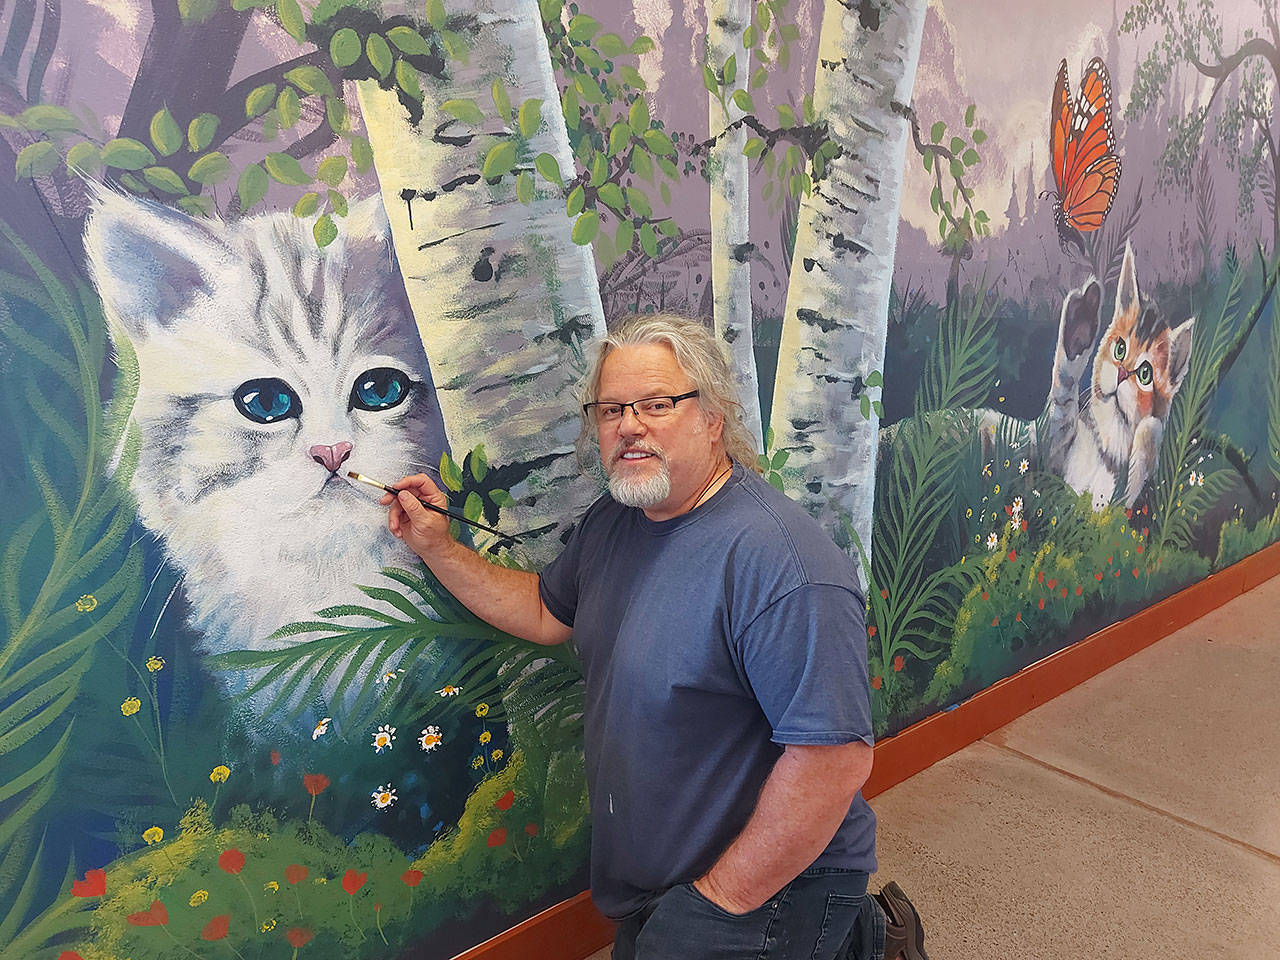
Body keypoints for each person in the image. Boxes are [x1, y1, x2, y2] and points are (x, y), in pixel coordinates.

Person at [382, 314, 928, 960]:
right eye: (611, 409)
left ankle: (852, 935)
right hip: (660, 877)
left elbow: (834, 760)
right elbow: (544, 610)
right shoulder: (618, 519)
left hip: (771, 878)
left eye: (657, 404)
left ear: (713, 416)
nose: (629, 425)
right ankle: (865, 939)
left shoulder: (783, 566)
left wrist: (722, 898)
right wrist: (437, 546)